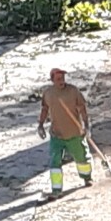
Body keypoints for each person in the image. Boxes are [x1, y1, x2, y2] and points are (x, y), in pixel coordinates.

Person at [38, 68, 92, 199]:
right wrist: (40, 124)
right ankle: (56, 190)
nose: (61, 81)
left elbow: (82, 108)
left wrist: (86, 125)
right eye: (58, 79)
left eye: (62, 78)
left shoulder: (73, 91)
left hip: (74, 133)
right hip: (57, 135)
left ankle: (86, 177)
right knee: (54, 162)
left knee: (82, 158)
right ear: (52, 80)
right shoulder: (48, 93)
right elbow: (45, 109)